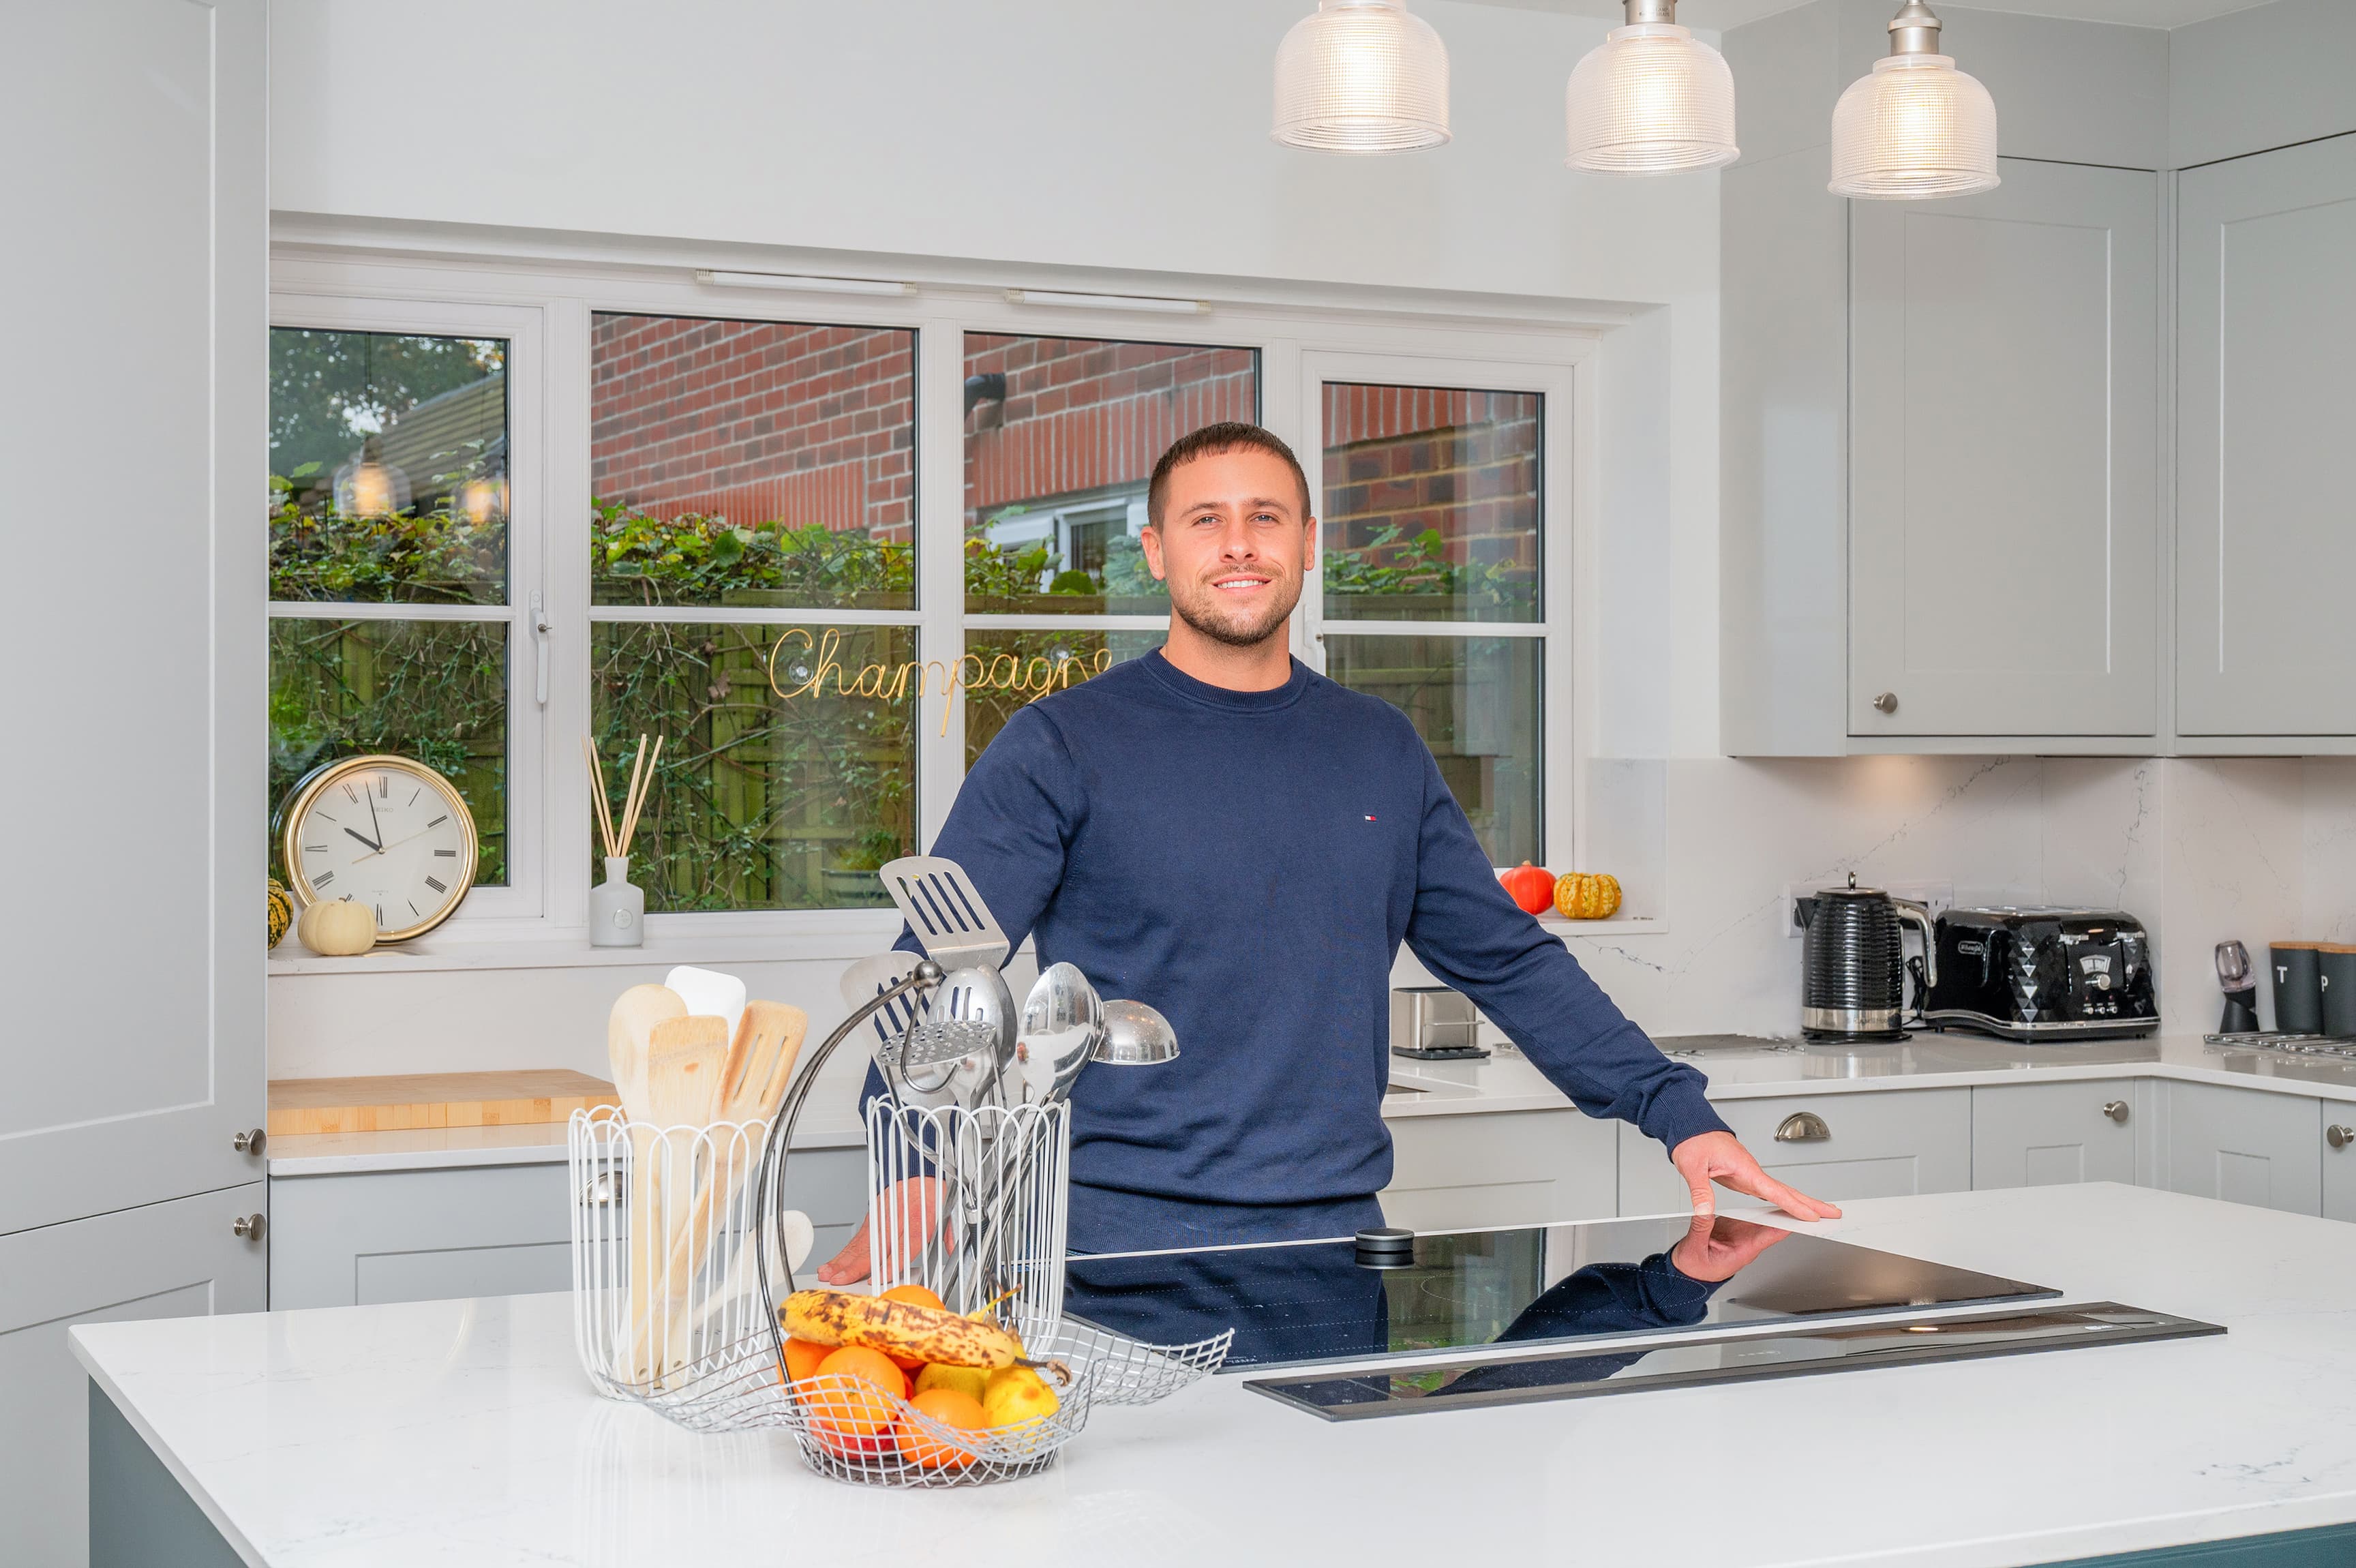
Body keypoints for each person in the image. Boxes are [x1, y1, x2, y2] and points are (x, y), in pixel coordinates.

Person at [819, 421, 1835, 1280]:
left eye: (1266, 517)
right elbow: (936, 975)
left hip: (1336, 1237)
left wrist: (1680, 1114)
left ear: (1308, 544)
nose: (1239, 545)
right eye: (1205, 520)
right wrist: (913, 1176)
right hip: (1109, 1246)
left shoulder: (1378, 748)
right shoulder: (1061, 743)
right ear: (1155, 551)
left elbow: (1508, 959)